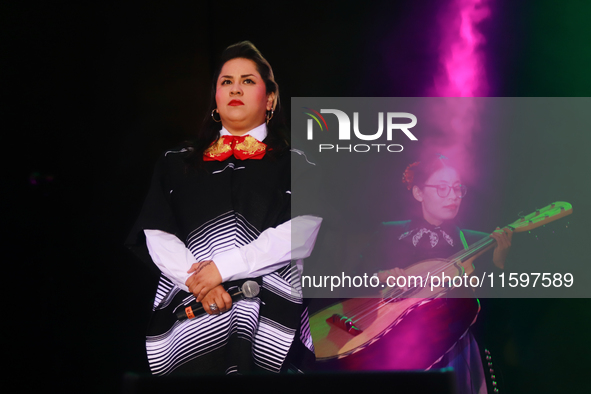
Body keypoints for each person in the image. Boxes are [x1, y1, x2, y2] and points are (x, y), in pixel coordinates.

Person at [126, 41, 321, 375]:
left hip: (270, 313)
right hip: (193, 316)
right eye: (226, 82)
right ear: (215, 98)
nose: (235, 89)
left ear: (270, 98)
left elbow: (302, 232)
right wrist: (202, 283)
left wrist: (225, 267)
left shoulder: (299, 163)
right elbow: (156, 232)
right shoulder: (177, 162)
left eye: (247, 81)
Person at [372, 155, 512, 393]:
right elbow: (353, 283)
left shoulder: (475, 241)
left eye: (458, 189)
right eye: (442, 188)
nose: (453, 196)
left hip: (456, 348)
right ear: (418, 193)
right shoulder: (389, 234)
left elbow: (495, 315)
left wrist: (499, 262)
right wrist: (382, 277)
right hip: (399, 346)